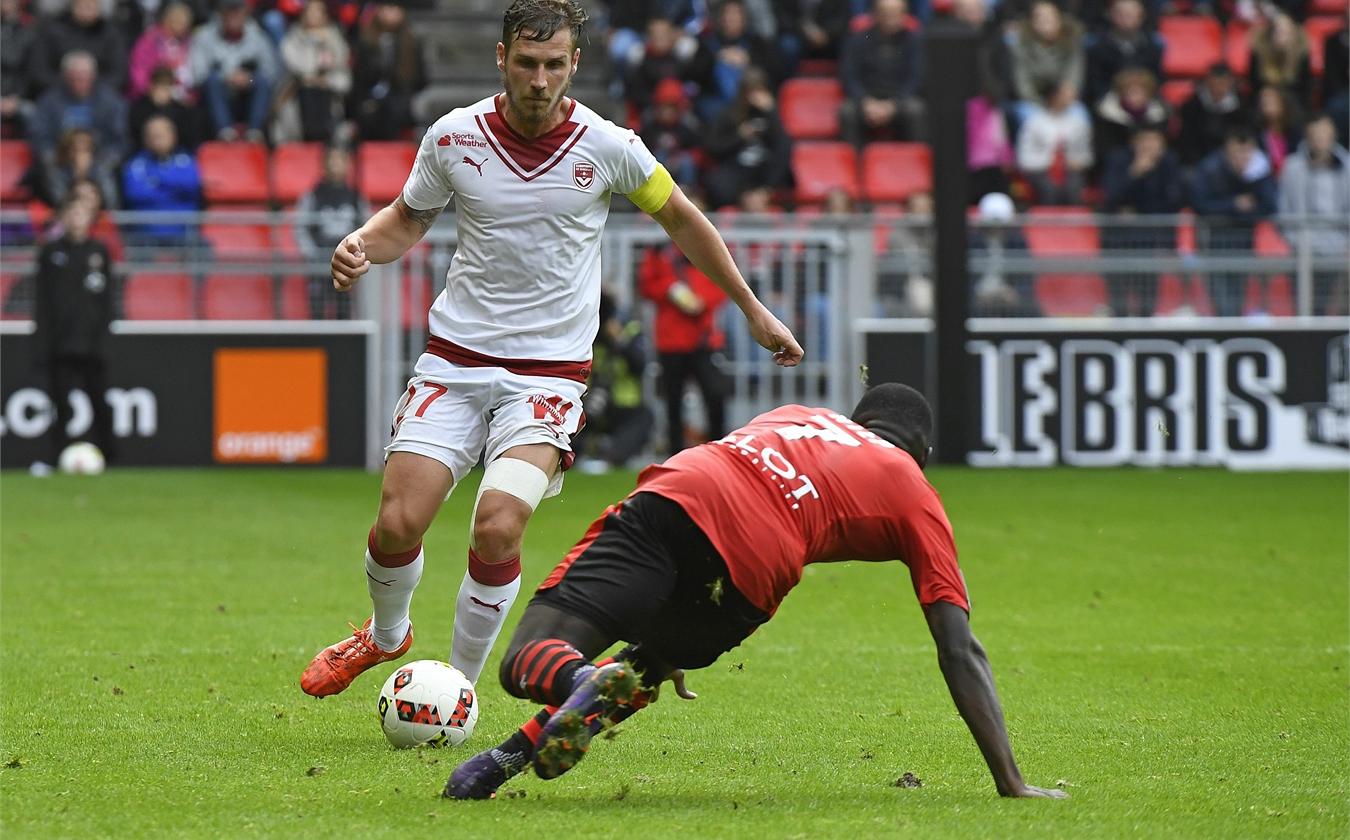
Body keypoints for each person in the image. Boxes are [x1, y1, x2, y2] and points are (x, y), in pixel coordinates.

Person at [299, 0, 802, 700]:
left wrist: (751, 308)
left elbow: (684, 222)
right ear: (502, 58)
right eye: (528, 64)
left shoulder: (610, 147)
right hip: (455, 360)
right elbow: (408, 217)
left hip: (548, 376)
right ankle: (388, 636)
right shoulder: (454, 137)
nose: (540, 79)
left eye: (554, 65)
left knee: (498, 526)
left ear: (575, 65)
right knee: (396, 523)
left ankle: (455, 691)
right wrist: (361, 244)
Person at [441, 383, 1070, 801]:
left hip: (685, 489)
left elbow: (731, 490)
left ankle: (531, 729)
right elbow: (958, 648)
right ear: (921, 454)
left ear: (858, 421)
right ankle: (506, 756)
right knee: (649, 661)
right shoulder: (914, 489)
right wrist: (1010, 781)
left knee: (529, 658)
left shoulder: (800, 414)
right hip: (756, 562)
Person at [31, 199, 116, 474]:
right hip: (61, 344)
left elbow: (108, 301)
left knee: (100, 402)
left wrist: (103, 340)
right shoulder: (50, 252)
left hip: (91, 344)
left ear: (90, 217)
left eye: (82, 212)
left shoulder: (99, 252)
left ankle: (112, 457)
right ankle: (57, 456)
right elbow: (42, 302)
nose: (77, 218)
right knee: (60, 405)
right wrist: (42, 343)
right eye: (72, 212)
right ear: (63, 217)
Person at [638, 244, 730, 455]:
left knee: (715, 394)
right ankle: (676, 454)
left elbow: (723, 282)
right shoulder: (658, 251)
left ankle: (719, 451)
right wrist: (671, 290)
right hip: (671, 340)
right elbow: (647, 287)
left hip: (703, 339)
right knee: (674, 400)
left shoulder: (706, 245)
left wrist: (701, 301)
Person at [1191, 128, 1278, 317]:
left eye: (1247, 151)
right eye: (1238, 151)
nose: (1243, 157)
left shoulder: (1259, 170)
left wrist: (1244, 213)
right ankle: (1223, 336)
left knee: (1238, 297)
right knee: (1220, 299)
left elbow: (1269, 205)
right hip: (1214, 243)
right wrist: (1234, 205)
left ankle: (1233, 335)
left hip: (1245, 242)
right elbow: (1200, 205)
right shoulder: (1210, 168)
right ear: (1228, 149)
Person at [1100, 125, 1183, 316]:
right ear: (1135, 143)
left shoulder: (1168, 165)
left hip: (1150, 243)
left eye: (1155, 141)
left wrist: (1168, 245)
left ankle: (1145, 342)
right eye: (1145, 141)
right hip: (1117, 242)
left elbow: (1173, 202)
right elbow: (1110, 197)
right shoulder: (1119, 160)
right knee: (1119, 302)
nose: (1150, 146)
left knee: (1147, 301)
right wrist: (1134, 173)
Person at [574, 291, 655, 471]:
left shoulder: (629, 331)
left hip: (624, 405)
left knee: (645, 417)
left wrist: (619, 340)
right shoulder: (585, 337)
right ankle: (571, 454)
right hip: (589, 405)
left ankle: (611, 456)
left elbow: (639, 365)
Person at [1278, 114, 1349, 316]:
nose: (1320, 139)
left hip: (1336, 247)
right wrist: (1294, 239)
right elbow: (1284, 209)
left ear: (1333, 136)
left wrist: (1344, 241)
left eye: (1324, 134)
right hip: (1301, 247)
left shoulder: (1347, 168)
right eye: (1315, 134)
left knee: (1330, 303)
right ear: (1308, 137)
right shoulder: (1292, 167)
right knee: (1302, 304)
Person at [701, 66, 791, 209]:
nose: (755, 98)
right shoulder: (729, 115)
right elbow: (712, 148)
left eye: (759, 91)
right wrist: (740, 136)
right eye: (750, 92)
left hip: (764, 174)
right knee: (716, 181)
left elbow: (784, 147)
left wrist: (771, 112)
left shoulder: (773, 116)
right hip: (736, 172)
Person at [189, 0, 279, 142]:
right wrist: (226, 77)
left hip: (248, 94)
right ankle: (225, 132)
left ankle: (254, 132)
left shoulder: (257, 36)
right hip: (218, 95)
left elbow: (271, 73)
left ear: (245, 14)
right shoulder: (205, 36)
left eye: (237, 11)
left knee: (261, 80)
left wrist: (249, 79)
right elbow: (198, 74)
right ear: (220, 14)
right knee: (213, 79)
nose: (233, 15)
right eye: (228, 11)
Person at [838, 0, 926, 146]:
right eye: (886, 14)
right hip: (867, 97)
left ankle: (915, 163)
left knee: (916, 110)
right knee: (847, 112)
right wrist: (865, 101)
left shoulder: (914, 42)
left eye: (895, 15)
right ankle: (853, 164)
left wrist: (894, 105)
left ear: (904, 16)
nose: (891, 19)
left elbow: (916, 78)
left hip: (900, 99)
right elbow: (849, 76)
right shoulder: (858, 40)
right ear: (875, 15)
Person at [294, 144, 368, 318]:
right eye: (332, 160)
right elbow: (301, 228)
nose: (336, 165)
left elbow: (367, 229)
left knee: (345, 308)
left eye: (340, 160)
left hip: (347, 262)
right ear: (323, 164)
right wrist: (312, 254)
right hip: (320, 262)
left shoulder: (356, 197)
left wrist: (356, 256)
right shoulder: (313, 195)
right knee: (317, 306)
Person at [29, 52, 129, 168]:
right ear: (65, 76)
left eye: (84, 76)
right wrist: (55, 158)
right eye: (74, 77)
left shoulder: (111, 102)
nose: (79, 82)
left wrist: (102, 161)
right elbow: (39, 136)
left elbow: (120, 138)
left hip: (100, 160)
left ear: (93, 76)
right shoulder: (48, 101)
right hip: (60, 161)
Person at [688, 0, 782, 123]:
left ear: (744, 18)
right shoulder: (707, 43)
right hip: (716, 101)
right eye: (727, 13)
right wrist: (717, 57)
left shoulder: (757, 43)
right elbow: (693, 75)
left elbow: (776, 72)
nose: (730, 18)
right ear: (720, 17)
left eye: (736, 14)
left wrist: (748, 59)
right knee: (711, 111)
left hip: (750, 98)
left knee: (766, 106)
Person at [121, 114, 203, 251]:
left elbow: (192, 186)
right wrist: (175, 191)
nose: (156, 139)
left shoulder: (187, 160)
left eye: (161, 134)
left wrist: (157, 180)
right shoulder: (135, 163)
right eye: (152, 135)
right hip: (145, 233)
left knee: (203, 248)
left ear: (173, 136)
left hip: (184, 231)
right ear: (145, 139)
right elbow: (135, 194)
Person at [348, 2, 426, 141]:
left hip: (401, 97)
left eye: (395, 9)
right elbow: (359, 76)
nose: (391, 13)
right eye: (387, 8)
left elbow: (420, 78)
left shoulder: (412, 42)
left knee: (395, 111)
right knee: (368, 113)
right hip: (369, 96)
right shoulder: (364, 41)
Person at [277, 0, 351, 142]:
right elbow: (299, 67)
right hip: (297, 96)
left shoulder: (336, 40)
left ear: (325, 15)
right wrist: (314, 42)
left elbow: (345, 79)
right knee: (308, 93)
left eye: (318, 11)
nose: (313, 15)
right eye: (310, 11)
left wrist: (328, 81)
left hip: (329, 98)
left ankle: (324, 140)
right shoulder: (292, 39)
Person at [1016, 81, 1093, 206]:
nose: (1071, 98)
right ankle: (1046, 225)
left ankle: (1075, 224)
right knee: (1049, 189)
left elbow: (1086, 156)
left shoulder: (1079, 123)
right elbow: (1024, 157)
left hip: (1070, 170)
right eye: (1065, 95)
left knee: (1073, 188)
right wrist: (1049, 162)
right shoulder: (1034, 122)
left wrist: (1078, 162)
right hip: (1040, 170)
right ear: (1054, 97)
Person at [31, 0, 129, 94]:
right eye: (81, 4)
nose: (86, 8)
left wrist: (89, 88)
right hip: (58, 95)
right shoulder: (53, 30)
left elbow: (118, 74)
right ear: (72, 5)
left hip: (99, 96)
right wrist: (72, 86)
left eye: (90, 5)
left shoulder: (111, 33)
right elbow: (40, 71)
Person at [1083, 0, 1161, 105]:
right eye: (1120, 14)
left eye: (1129, 15)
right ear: (1111, 15)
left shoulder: (1153, 47)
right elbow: (1095, 84)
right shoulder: (1097, 48)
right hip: (1108, 101)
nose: (1125, 19)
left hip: (1146, 100)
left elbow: (1157, 80)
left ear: (1141, 16)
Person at [1176, 63, 1248, 167]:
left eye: (1222, 84)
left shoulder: (1241, 107)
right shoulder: (1192, 105)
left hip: (1231, 158)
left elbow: (1242, 137)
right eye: (1215, 84)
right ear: (1208, 82)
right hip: (1198, 158)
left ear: (1230, 83)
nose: (1218, 89)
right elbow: (1186, 139)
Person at [127, 1, 196, 102]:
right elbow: (139, 75)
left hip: (182, 98)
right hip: (152, 96)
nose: (182, 25)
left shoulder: (189, 42)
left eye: (185, 23)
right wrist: (153, 91)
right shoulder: (150, 41)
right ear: (166, 20)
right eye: (177, 21)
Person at [129, 65, 207, 154]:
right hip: (145, 154)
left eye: (167, 87)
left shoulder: (181, 110)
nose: (163, 92)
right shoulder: (138, 109)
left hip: (175, 154)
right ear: (151, 86)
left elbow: (188, 137)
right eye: (160, 86)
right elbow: (135, 136)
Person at [1248, 11, 1312, 110]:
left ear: (1293, 35)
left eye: (1286, 33)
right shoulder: (1259, 52)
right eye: (1278, 32)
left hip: (1292, 102)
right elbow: (1254, 85)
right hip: (1263, 101)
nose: (1281, 37)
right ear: (1270, 34)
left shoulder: (1301, 54)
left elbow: (1304, 89)